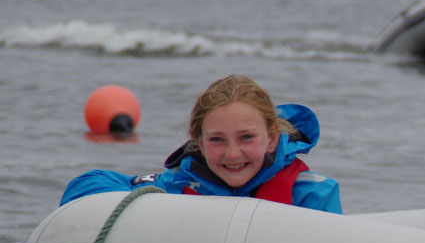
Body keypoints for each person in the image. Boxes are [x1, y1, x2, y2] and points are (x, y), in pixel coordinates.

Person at [61, 74, 342, 213]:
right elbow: (85, 185)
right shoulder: (177, 186)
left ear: (271, 139)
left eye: (246, 137)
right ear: (200, 144)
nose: (233, 154)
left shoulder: (312, 196)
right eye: (217, 140)